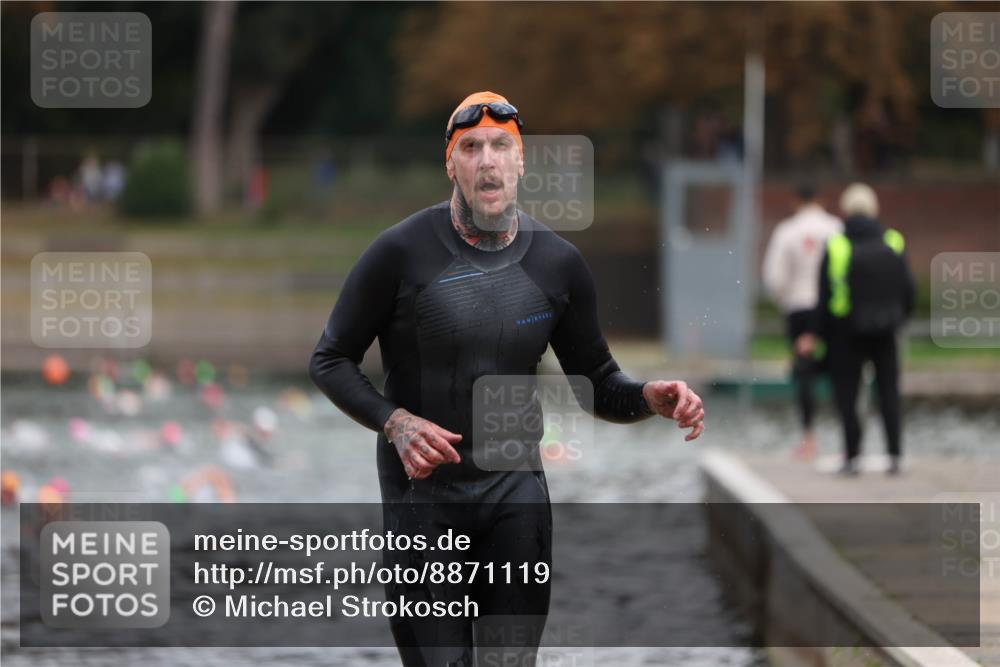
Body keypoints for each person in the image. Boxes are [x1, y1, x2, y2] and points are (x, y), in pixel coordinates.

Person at [309, 91, 705, 666]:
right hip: (422, 502)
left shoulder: (557, 264)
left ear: (521, 162)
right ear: (451, 164)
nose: (487, 160)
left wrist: (649, 397)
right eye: (471, 147)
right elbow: (330, 359)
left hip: (515, 499)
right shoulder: (400, 252)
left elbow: (598, 381)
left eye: (500, 146)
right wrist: (396, 423)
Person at [797, 183, 915, 477]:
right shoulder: (894, 241)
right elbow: (908, 289)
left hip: (845, 332)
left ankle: (853, 458)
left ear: (846, 211)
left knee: (847, 396)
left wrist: (814, 333)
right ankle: (895, 456)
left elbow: (824, 296)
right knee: (888, 392)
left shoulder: (837, 245)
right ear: (874, 209)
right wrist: (900, 319)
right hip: (886, 330)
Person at [762, 184, 842, 460]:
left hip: (798, 309)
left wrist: (784, 300)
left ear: (796, 201)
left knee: (805, 374)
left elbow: (774, 277)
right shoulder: (836, 228)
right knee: (841, 371)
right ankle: (847, 439)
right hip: (832, 309)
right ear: (822, 199)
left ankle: (808, 439)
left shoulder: (786, 231)